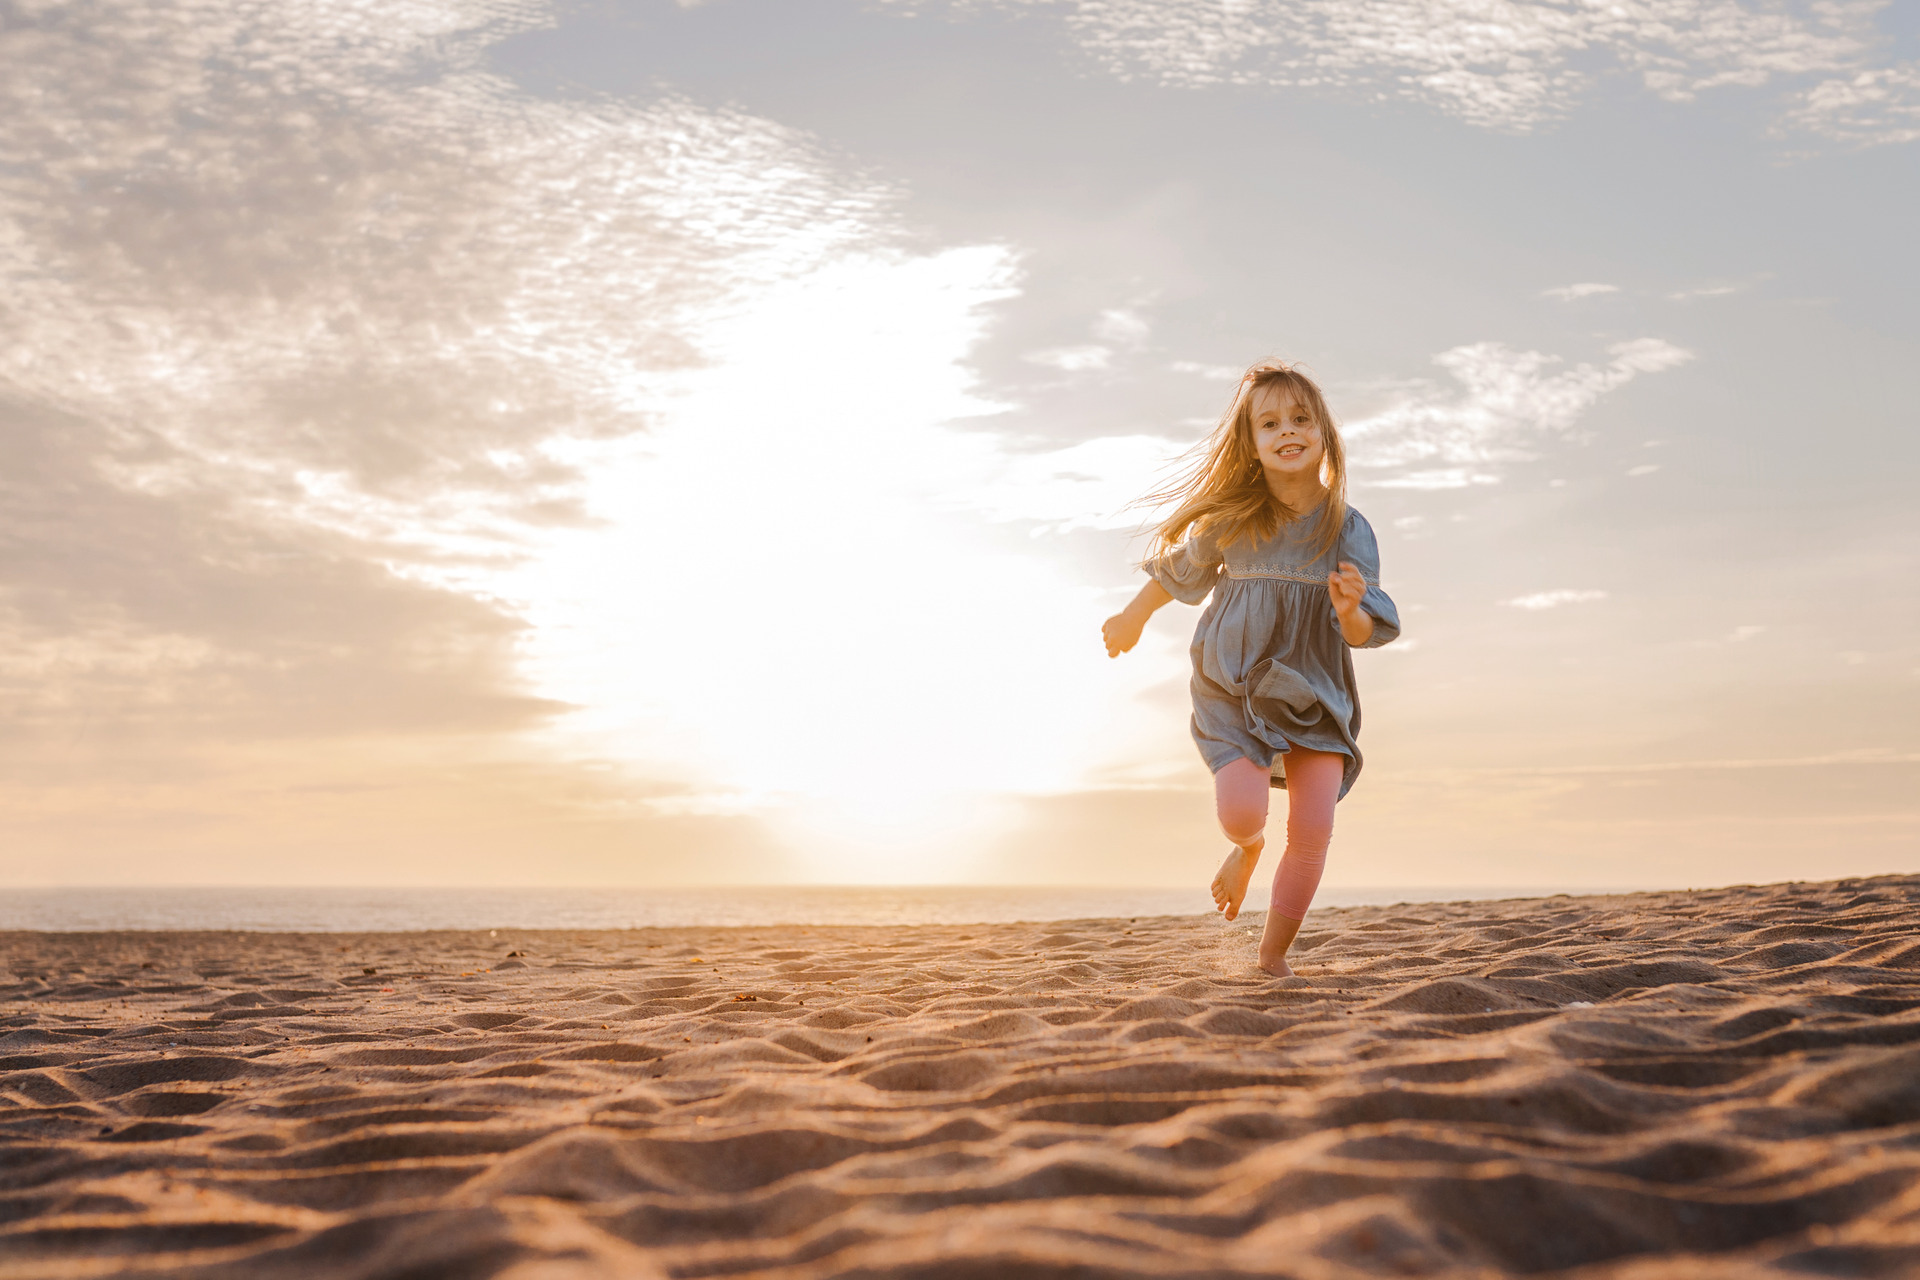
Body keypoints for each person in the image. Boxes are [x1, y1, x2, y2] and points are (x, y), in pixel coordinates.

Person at [1101, 361, 1400, 977]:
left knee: (1314, 830)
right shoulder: (1233, 520)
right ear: (1253, 443)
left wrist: (1347, 611)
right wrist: (1132, 617)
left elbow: (1367, 628)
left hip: (1314, 691)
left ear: (1324, 432)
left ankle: (1271, 957)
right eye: (1270, 423)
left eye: (1300, 418)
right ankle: (1247, 849)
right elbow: (1177, 573)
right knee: (1242, 815)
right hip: (1233, 685)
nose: (1288, 430)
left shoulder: (1347, 527)